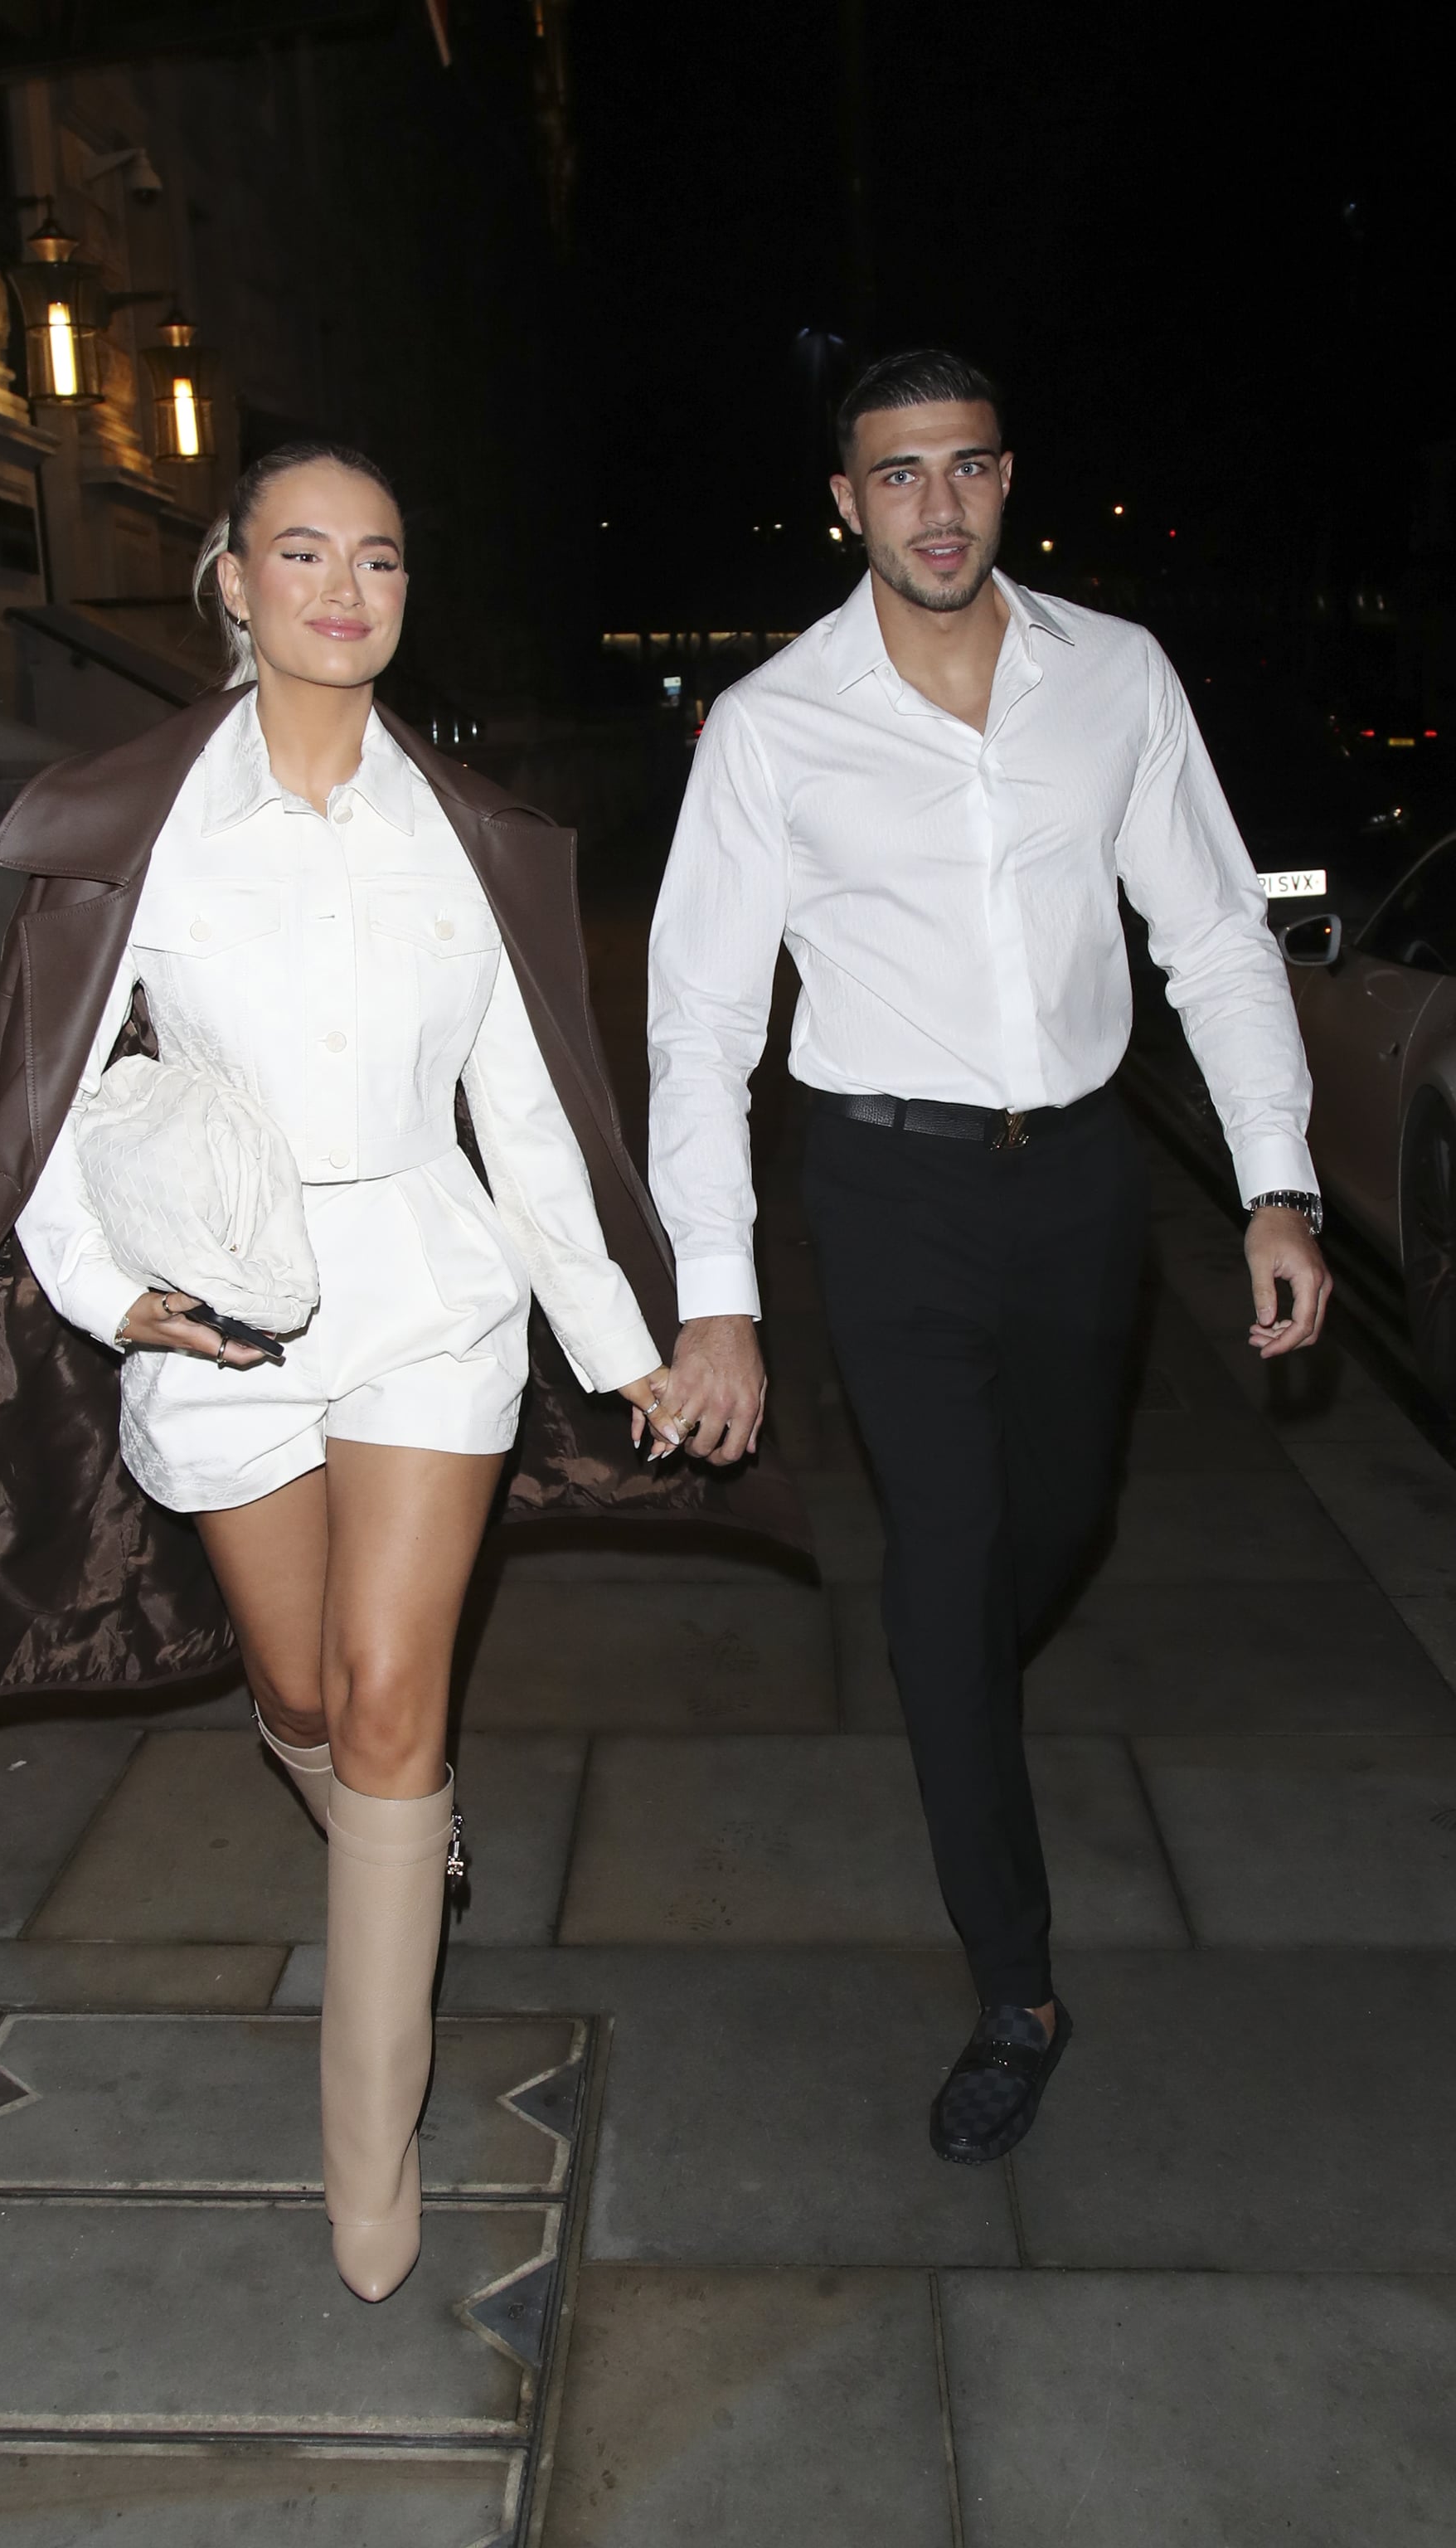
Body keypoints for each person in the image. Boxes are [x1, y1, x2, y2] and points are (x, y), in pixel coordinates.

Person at [0, 438, 800, 2304]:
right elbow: (49, 1093)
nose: (346, 589)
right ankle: (387, 1819)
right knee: (299, 1691)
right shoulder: (146, 824)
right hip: (224, 1307)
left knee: (391, 1706)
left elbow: (528, 1121)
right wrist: (103, 1291)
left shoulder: (462, 834)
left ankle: (368, 2152)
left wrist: (626, 1349)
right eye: (304, 553)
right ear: (231, 582)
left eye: (378, 558)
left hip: (427, 1296)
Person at [645, 349, 1331, 2166]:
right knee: (950, 1564)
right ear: (843, 503)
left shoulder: (1115, 677)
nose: (933, 506)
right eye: (895, 476)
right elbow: (700, 1026)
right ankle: (1015, 1988)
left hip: (1084, 1182)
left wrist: (1276, 1182)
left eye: (963, 470)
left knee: (1063, 1520)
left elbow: (1214, 933)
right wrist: (716, 1301)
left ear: (1006, 480)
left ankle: (954, 1669)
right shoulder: (774, 726)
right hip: (885, 1195)